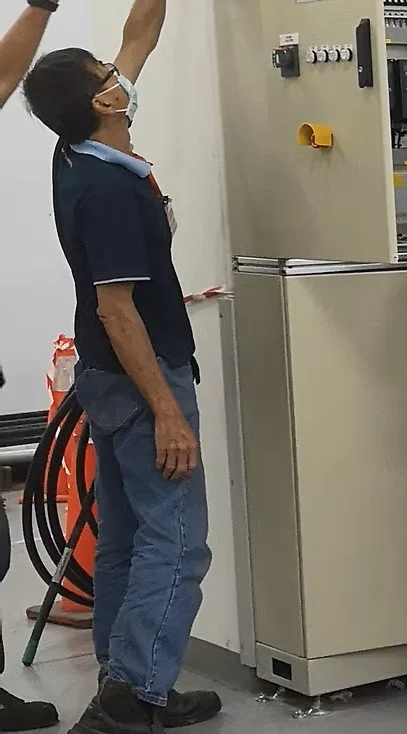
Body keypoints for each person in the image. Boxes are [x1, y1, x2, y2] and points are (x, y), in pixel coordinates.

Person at [21, 1, 226, 731]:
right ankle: (133, 697)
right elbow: (117, 311)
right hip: (141, 378)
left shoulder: (80, 145)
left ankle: (126, 681)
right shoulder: (105, 188)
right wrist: (167, 410)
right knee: (178, 542)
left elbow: (140, 32)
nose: (123, 73)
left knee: (131, 536)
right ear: (106, 101)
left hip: (105, 379)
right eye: (111, 74)